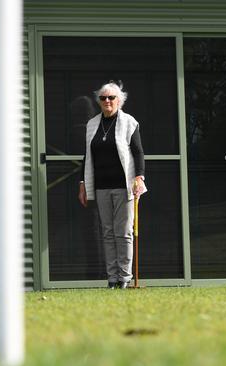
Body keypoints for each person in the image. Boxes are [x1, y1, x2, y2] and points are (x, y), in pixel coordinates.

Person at [78, 81, 147, 289]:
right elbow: (87, 156)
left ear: (119, 100)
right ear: (99, 101)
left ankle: (125, 277)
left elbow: (138, 152)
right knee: (107, 232)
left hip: (124, 185)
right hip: (101, 186)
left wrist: (139, 177)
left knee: (124, 232)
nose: (107, 101)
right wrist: (83, 183)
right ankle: (112, 278)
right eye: (103, 98)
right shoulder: (92, 125)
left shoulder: (128, 122)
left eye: (111, 98)